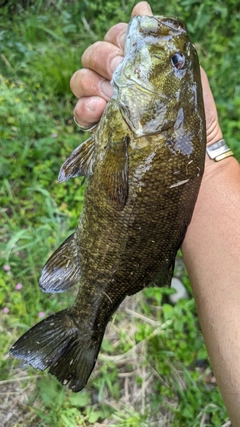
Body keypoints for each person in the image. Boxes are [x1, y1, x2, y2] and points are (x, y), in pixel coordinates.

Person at [70, 2, 240, 424]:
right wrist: (212, 147)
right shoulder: (151, 120)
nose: (172, 54)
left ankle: (83, 324)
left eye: (177, 61)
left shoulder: (152, 122)